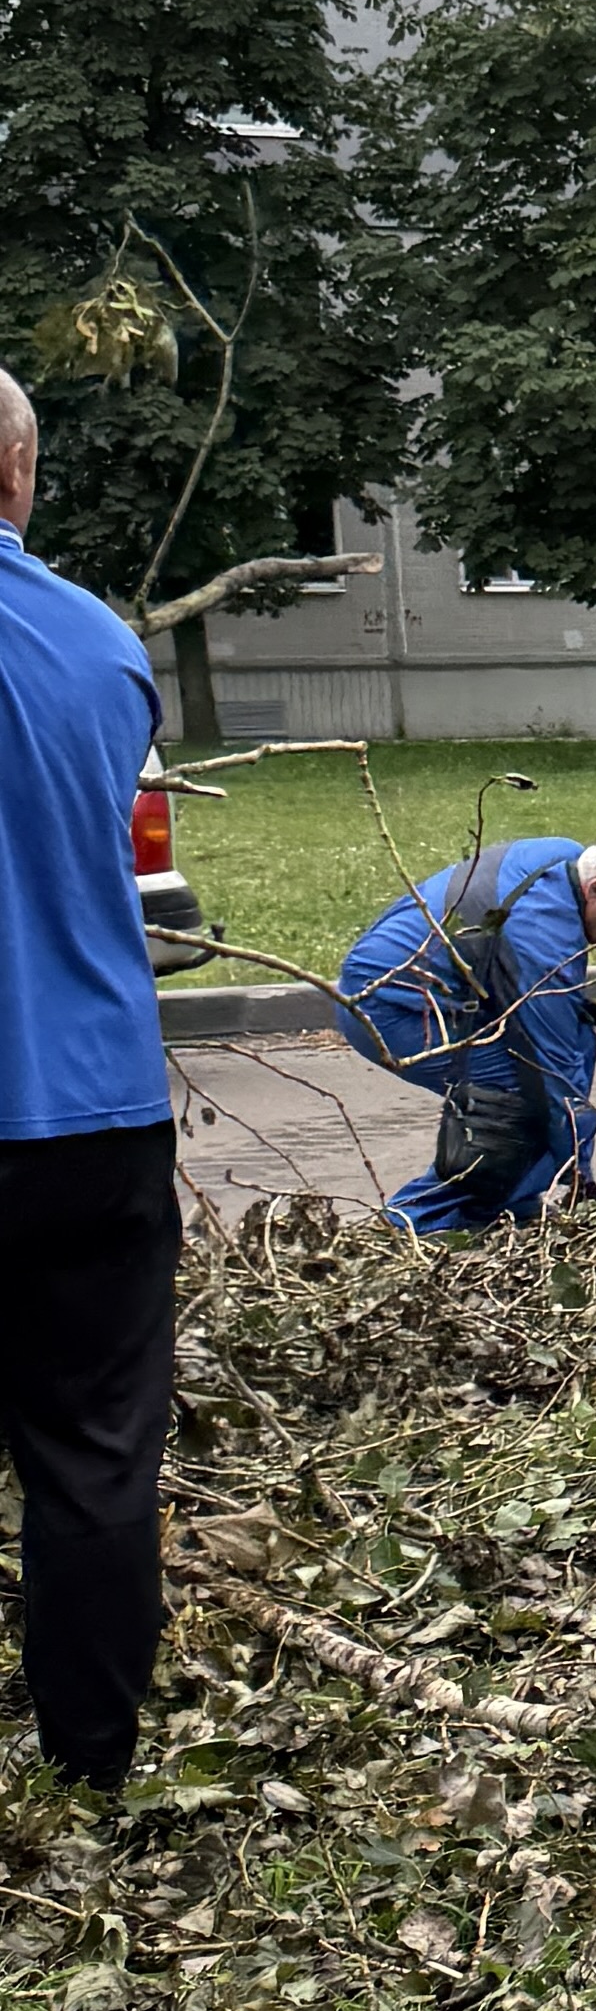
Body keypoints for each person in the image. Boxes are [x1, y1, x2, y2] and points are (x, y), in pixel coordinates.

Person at [0, 364, 183, 1793]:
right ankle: (92, 1773)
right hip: (90, 1115)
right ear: (19, 473)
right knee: (94, 1450)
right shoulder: (102, 646)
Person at [337, 821, 596, 1233]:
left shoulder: (563, 858)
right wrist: (580, 1175)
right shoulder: (541, 936)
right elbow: (548, 1070)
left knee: (576, 1039)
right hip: (387, 1008)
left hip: (434, 991)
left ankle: (513, 1205)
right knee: (517, 1101)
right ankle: (411, 1225)